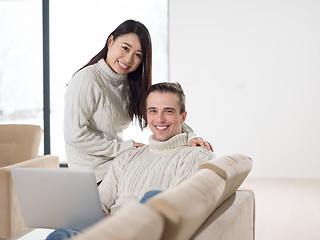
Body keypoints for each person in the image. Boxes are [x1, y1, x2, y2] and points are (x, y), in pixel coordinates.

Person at [46, 82, 215, 240]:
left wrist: (119, 220)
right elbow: (99, 204)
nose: (160, 119)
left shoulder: (195, 156)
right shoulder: (128, 157)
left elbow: (176, 211)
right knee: (61, 233)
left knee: (155, 197)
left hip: (141, 232)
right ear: (146, 114)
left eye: (169, 111)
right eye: (153, 111)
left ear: (183, 117)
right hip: (107, 230)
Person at [64, 19, 213, 183]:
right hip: (93, 174)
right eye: (125, 48)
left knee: (169, 167)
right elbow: (75, 135)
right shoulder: (86, 79)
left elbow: (160, 113)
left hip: (117, 163)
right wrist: (124, 148)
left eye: (138, 55)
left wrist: (191, 136)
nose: (128, 59)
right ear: (110, 41)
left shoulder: (129, 84)